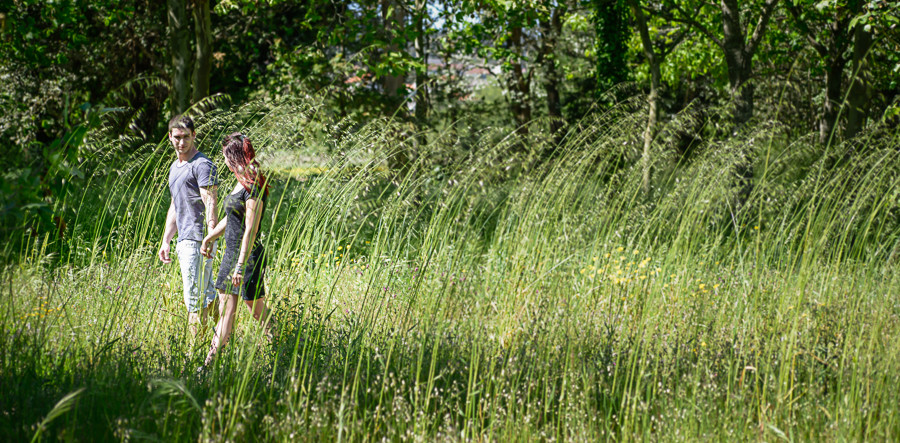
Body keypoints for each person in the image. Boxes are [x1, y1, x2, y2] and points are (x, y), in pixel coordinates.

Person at [200, 133, 275, 367]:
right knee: (226, 314)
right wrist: (209, 237)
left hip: (248, 258)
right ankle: (210, 363)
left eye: (224, 155)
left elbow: (250, 232)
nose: (222, 160)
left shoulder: (253, 188)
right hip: (230, 255)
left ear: (232, 156)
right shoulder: (238, 182)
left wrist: (241, 265)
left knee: (257, 312)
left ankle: (279, 353)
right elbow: (230, 219)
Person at [158, 115, 220, 337]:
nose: (181, 142)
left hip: (197, 241)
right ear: (170, 137)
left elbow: (210, 202)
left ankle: (196, 354)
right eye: (177, 137)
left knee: (194, 301)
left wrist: (210, 238)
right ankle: (225, 334)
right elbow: (175, 204)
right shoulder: (175, 167)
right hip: (183, 240)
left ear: (194, 135)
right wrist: (166, 240)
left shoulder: (202, 165)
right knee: (207, 297)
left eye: (186, 137)